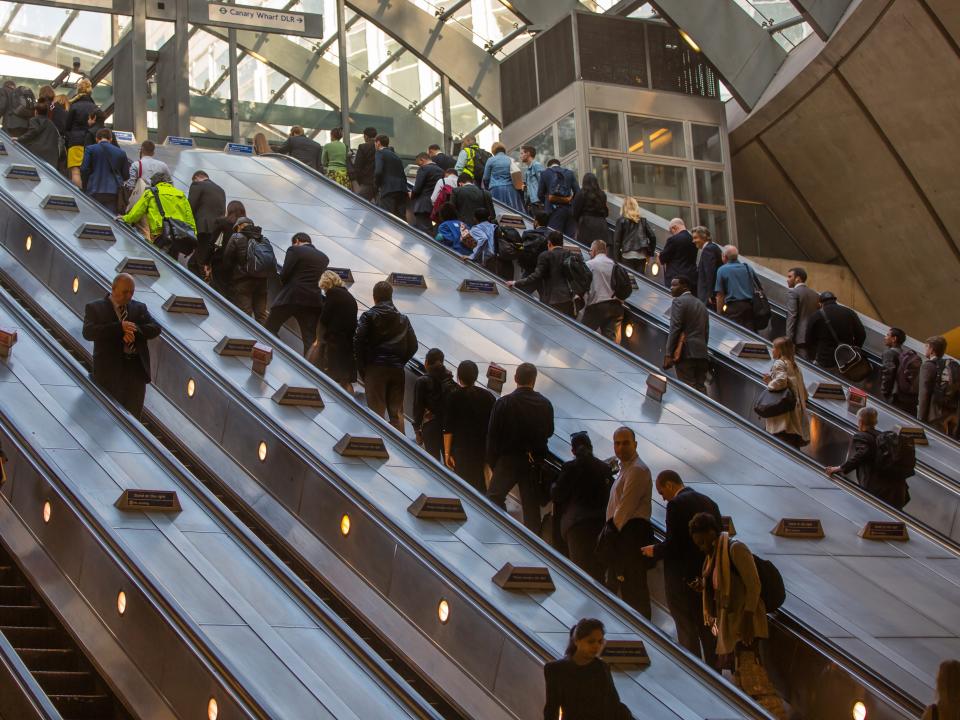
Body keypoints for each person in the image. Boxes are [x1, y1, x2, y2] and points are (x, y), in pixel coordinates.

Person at [689, 513, 784, 717]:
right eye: (698, 543)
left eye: (703, 541)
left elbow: (754, 585)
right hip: (731, 628)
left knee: (753, 678)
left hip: (746, 626)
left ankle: (773, 714)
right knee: (740, 680)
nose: (701, 546)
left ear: (712, 532)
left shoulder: (735, 549)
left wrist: (748, 618)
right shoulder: (712, 559)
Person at [641, 471, 720, 667]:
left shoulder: (676, 505)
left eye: (661, 492)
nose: (663, 498)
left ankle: (693, 669)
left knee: (686, 628)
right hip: (705, 577)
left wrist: (654, 551)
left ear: (669, 484)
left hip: (681, 578)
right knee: (706, 628)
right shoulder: (709, 502)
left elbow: (674, 544)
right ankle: (714, 672)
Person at [81, 273, 161, 419]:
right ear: (114, 288)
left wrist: (134, 329)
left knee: (133, 417)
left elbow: (156, 328)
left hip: (136, 372)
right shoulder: (95, 308)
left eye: (132, 292)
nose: (129, 296)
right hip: (109, 372)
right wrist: (119, 328)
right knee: (107, 417)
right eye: (125, 292)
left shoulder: (139, 308)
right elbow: (88, 332)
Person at [486, 362, 554, 533]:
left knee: (494, 497)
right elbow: (549, 431)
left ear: (515, 378)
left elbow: (492, 435)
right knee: (531, 508)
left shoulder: (504, 403)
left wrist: (494, 464)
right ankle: (533, 544)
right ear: (534, 380)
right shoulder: (545, 404)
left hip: (508, 460)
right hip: (533, 462)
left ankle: (501, 530)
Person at [599, 426, 653, 618]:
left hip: (629, 536)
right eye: (617, 443)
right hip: (621, 535)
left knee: (632, 589)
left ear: (635, 444)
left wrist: (610, 531)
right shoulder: (625, 469)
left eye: (625, 443)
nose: (620, 448)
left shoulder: (638, 470)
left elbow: (626, 506)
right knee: (618, 585)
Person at [354, 281, 418, 431]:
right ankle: (400, 450)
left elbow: (358, 341)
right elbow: (414, 345)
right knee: (396, 413)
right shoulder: (403, 319)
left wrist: (363, 366)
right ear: (391, 297)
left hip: (375, 368)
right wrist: (399, 362)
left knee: (376, 412)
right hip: (396, 370)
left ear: (374, 297)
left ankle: (378, 444)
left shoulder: (368, 316)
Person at [551, 432, 612, 581]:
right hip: (601, 527)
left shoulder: (570, 467)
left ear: (573, 451)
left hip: (577, 527)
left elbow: (558, 494)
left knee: (580, 574)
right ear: (591, 447)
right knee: (597, 573)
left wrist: (553, 486)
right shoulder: (604, 468)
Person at [543, 619, 632, 720]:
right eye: (591, 641)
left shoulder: (602, 668)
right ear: (576, 641)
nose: (596, 646)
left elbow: (613, 703)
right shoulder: (555, 669)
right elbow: (552, 708)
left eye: (600, 642)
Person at [825, 407, 910, 509]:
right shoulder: (884, 437)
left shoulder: (861, 436)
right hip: (898, 489)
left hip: (877, 489)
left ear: (860, 422)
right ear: (875, 421)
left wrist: (840, 468)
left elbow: (863, 453)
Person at [265, 232, 329, 355]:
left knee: (270, 327)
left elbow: (284, 274)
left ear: (297, 241)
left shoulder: (295, 250)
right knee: (309, 339)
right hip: (313, 301)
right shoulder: (324, 258)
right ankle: (309, 367)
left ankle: (278, 352)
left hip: (291, 297)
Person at [443, 360, 495, 494]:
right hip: (482, 449)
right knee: (480, 483)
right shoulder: (488, 397)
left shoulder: (454, 396)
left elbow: (448, 428)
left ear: (458, 376)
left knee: (463, 486)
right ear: (476, 376)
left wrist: (447, 453)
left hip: (461, 448)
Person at [121, 170, 197, 252]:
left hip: (160, 234)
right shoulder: (181, 195)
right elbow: (190, 218)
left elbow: (137, 212)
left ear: (154, 182)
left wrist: (125, 218)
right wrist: (193, 234)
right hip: (178, 235)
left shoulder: (151, 192)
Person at [508, 231, 576, 317]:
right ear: (562, 243)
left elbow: (536, 276)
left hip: (551, 299)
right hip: (567, 298)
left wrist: (516, 283)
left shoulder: (545, 255)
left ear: (549, 243)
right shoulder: (570, 255)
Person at [221, 217, 271, 323]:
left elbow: (227, 258)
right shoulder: (263, 239)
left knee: (245, 314)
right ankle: (268, 338)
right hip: (262, 281)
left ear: (239, 226)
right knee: (261, 315)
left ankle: (249, 338)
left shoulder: (237, 236)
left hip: (243, 280)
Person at [762, 337, 810, 448]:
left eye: (774, 348)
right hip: (795, 415)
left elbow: (780, 381)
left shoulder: (779, 363)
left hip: (782, 415)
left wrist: (769, 382)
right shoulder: (795, 366)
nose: (772, 350)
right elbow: (804, 392)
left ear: (780, 350)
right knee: (791, 447)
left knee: (778, 446)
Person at [665, 276, 709, 393]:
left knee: (689, 391)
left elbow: (675, 328)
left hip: (686, 353)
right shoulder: (701, 304)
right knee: (700, 389)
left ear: (684, 286)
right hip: (702, 353)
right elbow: (706, 332)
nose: (671, 288)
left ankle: (693, 412)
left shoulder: (678, 301)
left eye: (675, 285)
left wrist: (669, 353)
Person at [318, 270, 358, 394]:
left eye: (324, 288)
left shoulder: (333, 294)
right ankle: (352, 407)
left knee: (333, 379)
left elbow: (324, 318)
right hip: (348, 344)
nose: (324, 291)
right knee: (345, 380)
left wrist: (319, 340)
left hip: (336, 344)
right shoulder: (348, 296)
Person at [412, 348, 456, 461]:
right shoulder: (450, 381)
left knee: (432, 462)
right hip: (448, 427)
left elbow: (418, 408)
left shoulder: (422, 381)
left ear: (426, 362)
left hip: (430, 426)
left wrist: (417, 430)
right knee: (449, 463)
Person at [804, 291, 866, 369]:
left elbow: (808, 339)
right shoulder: (849, 313)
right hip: (847, 359)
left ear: (821, 303)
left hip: (825, 359)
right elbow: (861, 334)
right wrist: (853, 348)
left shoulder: (816, 316)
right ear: (834, 300)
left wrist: (812, 356)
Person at [187, 171, 227, 278]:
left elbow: (189, 207)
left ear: (197, 177)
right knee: (198, 261)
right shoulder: (221, 190)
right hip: (215, 232)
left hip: (202, 228)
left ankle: (200, 285)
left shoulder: (197, 184)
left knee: (195, 263)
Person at [581, 240, 623, 342]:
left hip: (597, 305)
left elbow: (583, 286)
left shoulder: (589, 264)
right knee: (609, 341)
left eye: (590, 251)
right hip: (614, 306)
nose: (590, 253)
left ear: (594, 251)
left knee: (582, 334)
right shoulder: (614, 265)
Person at [919, 335, 960, 435]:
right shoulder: (951, 365)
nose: (925, 349)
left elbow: (924, 393)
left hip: (934, 413)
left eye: (926, 347)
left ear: (932, 349)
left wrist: (921, 418)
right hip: (951, 412)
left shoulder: (928, 365)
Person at [79, 128, 127, 213]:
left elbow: (84, 169)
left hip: (94, 189)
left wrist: (85, 185)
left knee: (94, 215)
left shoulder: (90, 149)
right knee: (111, 217)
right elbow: (126, 175)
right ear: (111, 139)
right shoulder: (121, 152)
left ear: (96, 138)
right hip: (113, 191)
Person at [64, 79, 98, 188]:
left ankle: (79, 196)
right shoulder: (95, 107)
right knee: (88, 172)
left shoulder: (74, 106)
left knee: (75, 172)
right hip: (91, 142)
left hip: (75, 142)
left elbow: (67, 126)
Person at [714, 245, 757, 331]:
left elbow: (720, 295)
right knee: (750, 334)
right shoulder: (748, 268)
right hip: (750, 307)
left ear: (724, 257)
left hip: (733, 308)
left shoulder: (722, 270)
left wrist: (719, 313)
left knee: (734, 334)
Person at [208, 200, 247, 292]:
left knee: (217, 288)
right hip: (237, 266)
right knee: (229, 290)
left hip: (221, 261)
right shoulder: (247, 227)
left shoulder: (222, 222)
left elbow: (212, 242)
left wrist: (206, 260)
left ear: (228, 210)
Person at [881, 327, 920, 416]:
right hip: (908, 398)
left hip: (895, 397)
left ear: (894, 339)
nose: (885, 337)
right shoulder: (904, 355)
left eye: (887, 335)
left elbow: (888, 373)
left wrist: (885, 393)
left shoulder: (889, 353)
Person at [612, 197, 656, 275]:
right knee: (641, 281)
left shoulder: (621, 220)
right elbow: (652, 237)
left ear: (624, 207)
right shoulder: (643, 220)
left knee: (629, 280)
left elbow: (617, 242)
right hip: (641, 255)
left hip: (627, 255)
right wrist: (649, 252)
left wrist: (616, 260)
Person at [784, 267, 819, 360]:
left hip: (799, 338)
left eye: (789, 277)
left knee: (803, 367)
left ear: (797, 279)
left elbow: (792, 317)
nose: (787, 279)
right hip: (813, 337)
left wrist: (788, 341)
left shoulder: (793, 293)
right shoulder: (815, 294)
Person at [538, 159, 579, 238]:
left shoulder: (544, 173)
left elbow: (540, 194)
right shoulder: (570, 173)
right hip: (569, 210)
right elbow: (577, 192)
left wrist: (547, 203)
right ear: (559, 165)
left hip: (553, 210)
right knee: (570, 239)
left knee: (555, 237)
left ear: (548, 166)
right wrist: (569, 200)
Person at [15, 101, 61, 167]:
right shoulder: (51, 123)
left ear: (36, 111)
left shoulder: (34, 120)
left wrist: (19, 139)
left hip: (38, 152)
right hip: (51, 155)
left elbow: (33, 132)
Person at [482, 143, 523, 213]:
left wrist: (486, 188)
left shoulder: (491, 160)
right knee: (513, 212)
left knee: (499, 211)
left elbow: (486, 177)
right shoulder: (510, 159)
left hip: (496, 189)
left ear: (493, 151)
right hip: (510, 189)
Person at [659, 218, 698, 292]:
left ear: (674, 227)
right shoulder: (693, 240)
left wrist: (660, 255)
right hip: (691, 277)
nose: (672, 234)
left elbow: (663, 259)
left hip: (676, 279)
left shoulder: (673, 239)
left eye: (671, 231)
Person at [374, 135, 408, 219]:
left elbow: (378, 171)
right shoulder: (395, 155)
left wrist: (377, 185)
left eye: (375, 143)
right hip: (402, 189)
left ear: (378, 143)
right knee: (401, 218)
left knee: (387, 217)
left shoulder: (380, 153)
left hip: (388, 189)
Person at [409, 151, 444, 233]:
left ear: (422, 160)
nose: (419, 166)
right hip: (435, 205)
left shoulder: (424, 168)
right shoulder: (441, 171)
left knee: (423, 232)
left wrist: (411, 194)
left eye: (419, 164)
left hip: (423, 205)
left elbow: (417, 188)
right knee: (431, 230)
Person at [571, 172, 610, 244]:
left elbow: (575, 212)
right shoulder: (602, 194)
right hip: (601, 225)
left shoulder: (581, 194)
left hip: (586, 225)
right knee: (601, 249)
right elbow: (606, 212)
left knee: (587, 250)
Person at [692, 226, 722, 310]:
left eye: (695, 238)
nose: (693, 241)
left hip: (707, 297)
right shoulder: (712, 248)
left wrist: (710, 294)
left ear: (704, 237)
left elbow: (710, 273)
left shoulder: (708, 249)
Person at [353, 126, 378, 201]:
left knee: (359, 204)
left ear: (366, 136)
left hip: (367, 182)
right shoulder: (382, 147)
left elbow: (357, 166)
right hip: (380, 184)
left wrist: (360, 181)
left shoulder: (363, 147)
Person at [519, 145, 544, 215]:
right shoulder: (528, 169)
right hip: (532, 202)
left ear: (528, 153)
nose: (520, 156)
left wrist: (541, 200)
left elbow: (543, 182)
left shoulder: (536, 165)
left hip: (538, 202)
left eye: (521, 153)